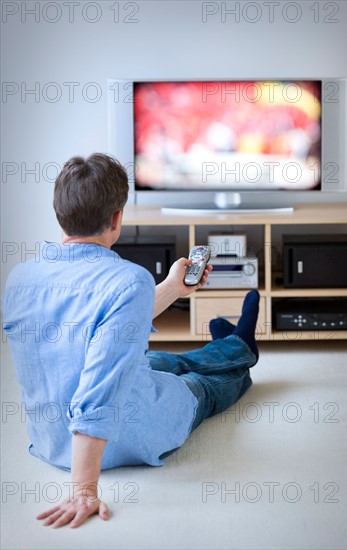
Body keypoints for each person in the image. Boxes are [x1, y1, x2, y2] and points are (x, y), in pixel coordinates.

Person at [3, 153, 260, 529]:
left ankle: (226, 343)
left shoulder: (20, 277)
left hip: (51, 441)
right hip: (124, 439)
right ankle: (243, 350)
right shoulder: (128, 279)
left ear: (60, 213)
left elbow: (114, 325)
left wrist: (173, 287)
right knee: (196, 384)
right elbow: (99, 391)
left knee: (162, 361)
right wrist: (83, 489)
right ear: (117, 218)